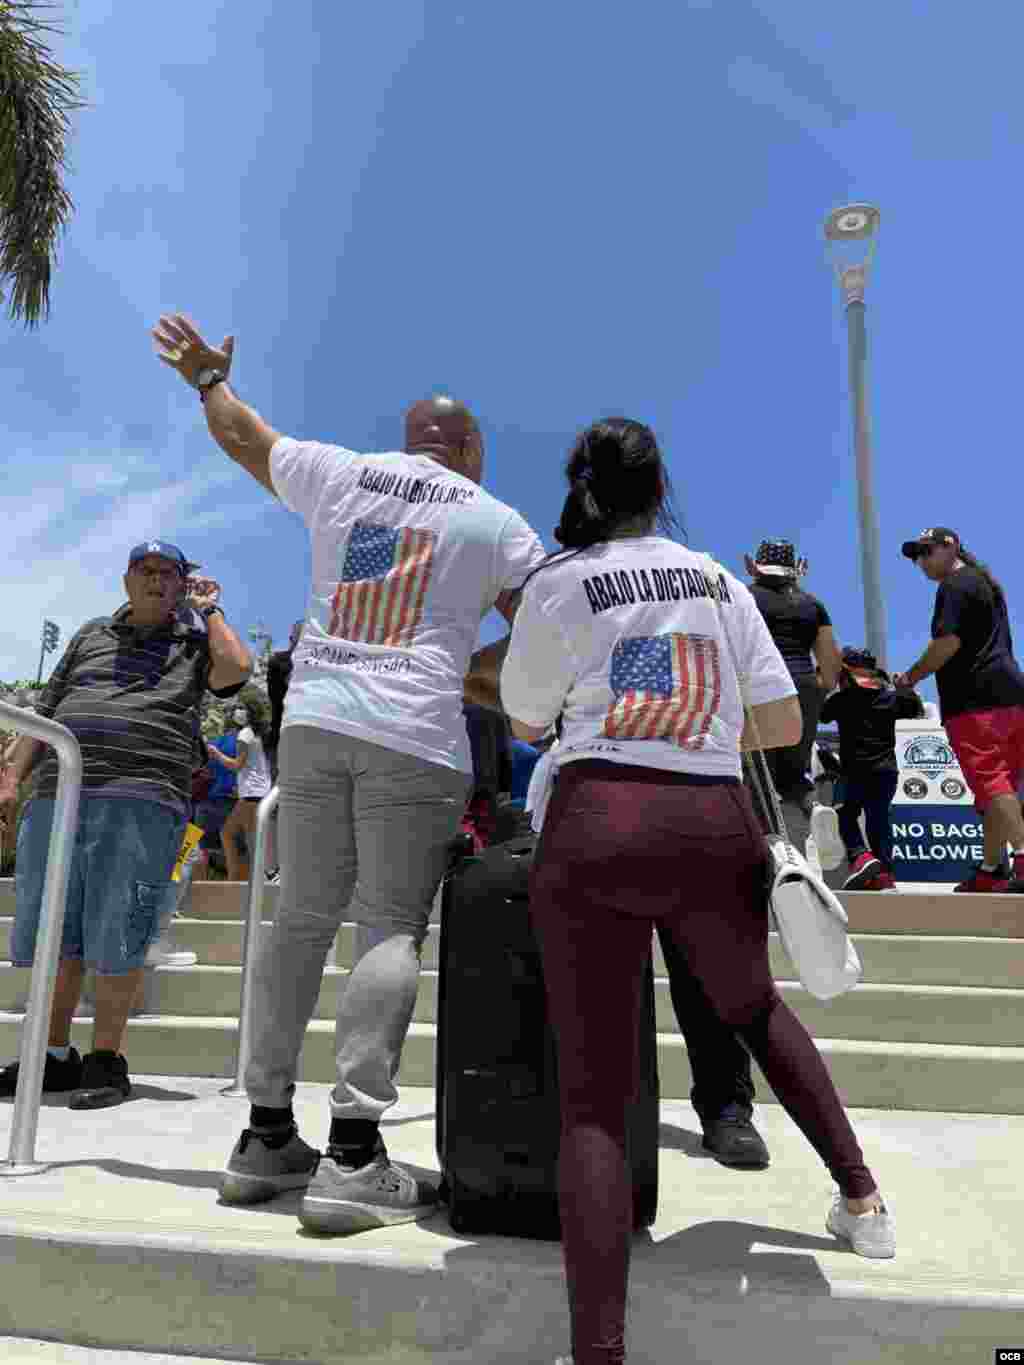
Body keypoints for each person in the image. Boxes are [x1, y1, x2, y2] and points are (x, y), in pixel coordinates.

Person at [499, 418, 895, 1365]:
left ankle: (599, 1351)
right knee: (755, 1008)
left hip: (597, 815)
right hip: (712, 819)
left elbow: (522, 716)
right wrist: (698, 728)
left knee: (594, 1097)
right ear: (657, 486)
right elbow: (783, 718)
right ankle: (863, 1200)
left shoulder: (561, 581)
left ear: (585, 492)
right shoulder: (720, 579)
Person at [152, 313, 547, 1232]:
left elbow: (242, 436)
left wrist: (209, 380)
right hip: (415, 733)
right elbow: (547, 631)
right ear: (472, 450)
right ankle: (356, 1154)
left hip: (319, 720)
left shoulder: (340, 472)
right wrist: (472, 674)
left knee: (297, 922)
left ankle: (262, 1137)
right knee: (391, 927)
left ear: (412, 440)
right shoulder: (495, 521)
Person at [0, 543, 251, 1108]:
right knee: (53, 932)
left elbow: (236, 669)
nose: (157, 581)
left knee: (121, 928)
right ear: (126, 580)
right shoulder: (89, 634)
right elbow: (47, 709)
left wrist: (208, 611)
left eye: (170, 574)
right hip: (58, 794)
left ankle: (107, 1060)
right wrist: (11, 777)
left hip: (143, 797)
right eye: (147, 571)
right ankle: (53, 1057)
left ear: (184, 584)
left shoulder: (194, 640)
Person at [895, 527, 1024, 893]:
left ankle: (1021, 862)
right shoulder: (985, 582)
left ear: (949, 546)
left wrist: (912, 676)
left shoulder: (954, 586)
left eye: (926, 552)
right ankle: (990, 869)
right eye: (916, 556)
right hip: (1012, 695)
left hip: (974, 700)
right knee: (1002, 790)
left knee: (991, 784)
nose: (921, 561)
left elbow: (947, 643)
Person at [744, 539, 842, 851]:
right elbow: (829, 663)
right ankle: (816, 809)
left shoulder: (745, 598)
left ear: (756, 567)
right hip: (804, 685)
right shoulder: (812, 605)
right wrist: (819, 691)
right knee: (795, 771)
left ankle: (773, 845)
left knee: (758, 774)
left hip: (760, 686)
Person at [820, 647, 924, 891]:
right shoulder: (891, 698)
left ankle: (861, 856)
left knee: (844, 815)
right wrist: (903, 688)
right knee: (878, 823)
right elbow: (915, 710)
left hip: (853, 771)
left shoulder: (841, 699)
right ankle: (885, 875)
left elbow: (822, 715)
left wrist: (831, 682)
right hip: (886, 772)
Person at [208, 699, 273, 882]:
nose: (237, 711)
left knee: (234, 835)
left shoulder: (244, 733)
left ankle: (253, 879)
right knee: (238, 835)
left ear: (250, 711)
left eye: (241, 707)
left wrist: (216, 754)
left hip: (252, 794)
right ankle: (240, 877)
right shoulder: (258, 733)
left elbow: (237, 765)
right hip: (257, 792)